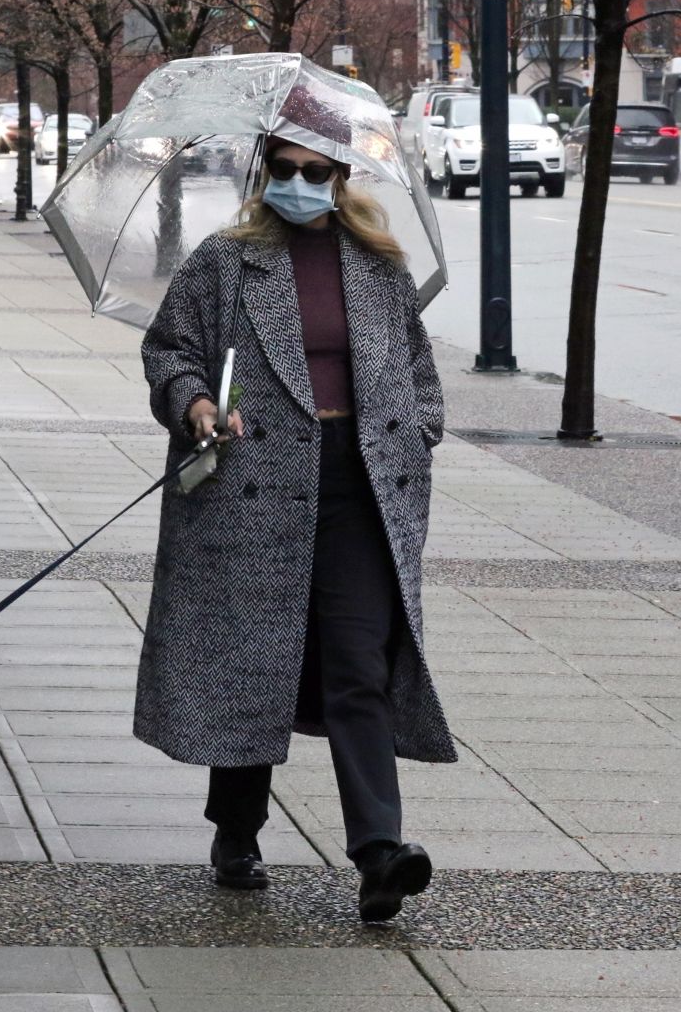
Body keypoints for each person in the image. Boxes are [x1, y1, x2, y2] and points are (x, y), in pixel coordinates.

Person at [137, 135, 456, 923]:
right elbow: (169, 351)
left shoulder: (380, 265)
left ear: (341, 179)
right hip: (253, 486)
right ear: (263, 175)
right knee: (254, 661)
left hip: (362, 485)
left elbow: (416, 367)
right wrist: (197, 405)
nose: (299, 184)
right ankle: (236, 834)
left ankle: (381, 854)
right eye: (283, 170)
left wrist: (421, 426)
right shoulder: (223, 262)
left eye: (315, 172)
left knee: (358, 667)